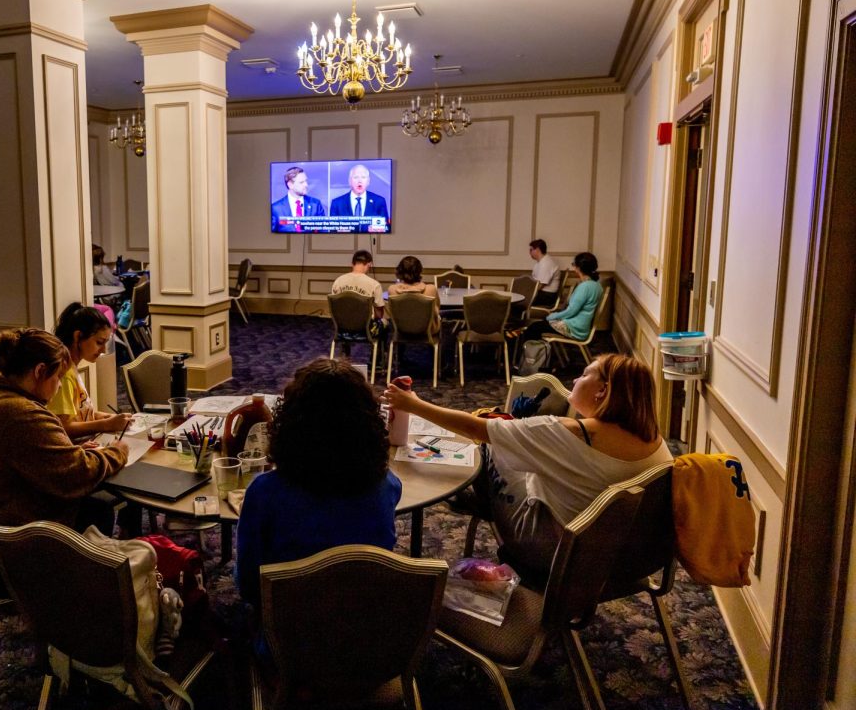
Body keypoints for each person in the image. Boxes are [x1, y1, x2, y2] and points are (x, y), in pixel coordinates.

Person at [384, 353, 671, 574]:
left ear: (602, 390)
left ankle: (467, 497)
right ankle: (472, 497)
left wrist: (414, 404)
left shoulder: (569, 432)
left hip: (551, 553)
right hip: (620, 560)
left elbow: (477, 430)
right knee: (513, 442)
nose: (575, 380)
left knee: (490, 446)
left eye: (584, 374)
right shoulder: (657, 444)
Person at [0, 328, 128, 597]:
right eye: (58, 377)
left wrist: (70, 451)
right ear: (39, 372)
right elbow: (78, 474)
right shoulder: (20, 414)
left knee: (94, 504)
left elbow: (36, 459)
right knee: (98, 505)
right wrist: (117, 451)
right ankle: (86, 600)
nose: (59, 385)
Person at [236, 357, 401, 606]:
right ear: (367, 423)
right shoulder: (387, 485)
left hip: (285, 632)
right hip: (366, 622)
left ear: (290, 422)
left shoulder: (264, 492)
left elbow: (248, 586)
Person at [51, 302, 132, 440]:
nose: (104, 350)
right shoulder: (64, 375)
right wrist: (106, 424)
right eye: (99, 342)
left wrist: (104, 417)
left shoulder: (72, 369)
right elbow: (63, 427)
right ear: (78, 337)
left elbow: (79, 414)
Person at [521, 251, 603, 343]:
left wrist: (552, 316)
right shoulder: (597, 285)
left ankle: (530, 356)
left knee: (533, 328)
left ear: (578, 268)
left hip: (573, 328)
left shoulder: (584, 287)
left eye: (574, 264)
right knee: (539, 325)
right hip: (581, 327)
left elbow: (571, 311)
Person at [328, 163, 389, 232]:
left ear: (368, 181)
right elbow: (332, 230)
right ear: (349, 181)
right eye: (356, 177)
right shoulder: (337, 203)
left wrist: (380, 229)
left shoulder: (379, 201)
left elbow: (386, 227)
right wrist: (338, 231)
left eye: (363, 177)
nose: (359, 181)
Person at [387, 255, 440, 333]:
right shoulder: (431, 289)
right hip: (427, 331)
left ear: (399, 272)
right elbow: (437, 311)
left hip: (402, 331)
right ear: (420, 271)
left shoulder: (392, 290)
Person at [331, 249, 385, 320]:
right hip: (365, 327)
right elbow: (379, 314)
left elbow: (334, 307)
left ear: (352, 263)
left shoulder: (338, 281)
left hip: (343, 323)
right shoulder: (374, 284)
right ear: (369, 264)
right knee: (385, 321)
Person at [270, 166, 325, 231]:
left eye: (306, 181)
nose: (306, 185)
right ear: (290, 185)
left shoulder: (315, 204)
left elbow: (323, 231)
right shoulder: (276, 208)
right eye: (301, 182)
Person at [528, 239, 562, 308]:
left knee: (520, 301)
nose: (529, 252)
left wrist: (526, 292)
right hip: (543, 294)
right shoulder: (541, 262)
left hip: (547, 296)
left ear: (537, 249)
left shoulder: (546, 263)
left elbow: (540, 285)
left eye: (531, 250)